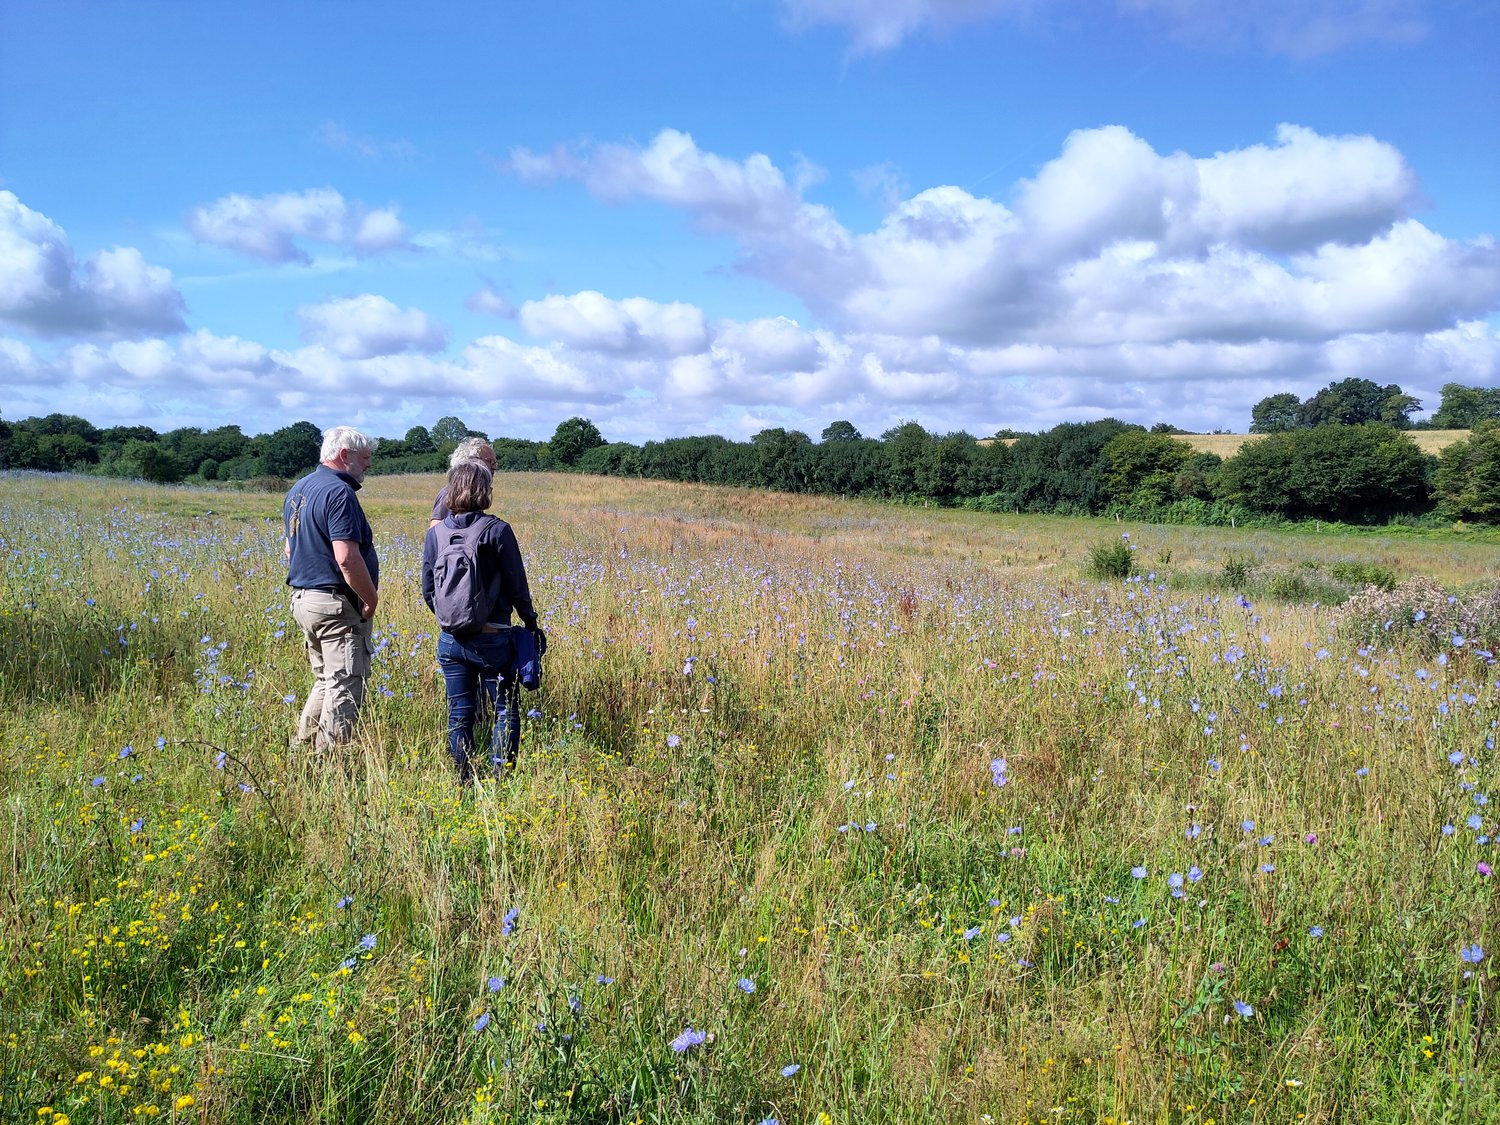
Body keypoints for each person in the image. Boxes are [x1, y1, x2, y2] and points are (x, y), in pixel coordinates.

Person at [421, 461, 543, 782]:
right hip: (494, 640)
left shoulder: (436, 535)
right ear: (484, 491)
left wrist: (453, 617)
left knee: (459, 715)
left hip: (450, 642)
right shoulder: (498, 531)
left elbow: (427, 590)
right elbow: (518, 587)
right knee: (505, 710)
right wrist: (531, 624)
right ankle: (500, 783)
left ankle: (464, 783)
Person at [283, 426, 379, 751]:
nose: (368, 465)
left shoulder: (299, 489)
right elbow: (347, 558)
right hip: (336, 606)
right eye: (365, 458)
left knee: (325, 681)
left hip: (304, 599)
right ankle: (328, 766)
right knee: (345, 686)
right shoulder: (340, 493)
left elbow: (289, 549)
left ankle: (303, 751)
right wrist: (370, 598)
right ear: (344, 456)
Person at [430, 437, 498, 529]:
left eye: (495, 463)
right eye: (490, 462)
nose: (494, 467)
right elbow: (435, 533)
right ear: (472, 461)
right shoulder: (450, 492)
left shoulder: (474, 490)